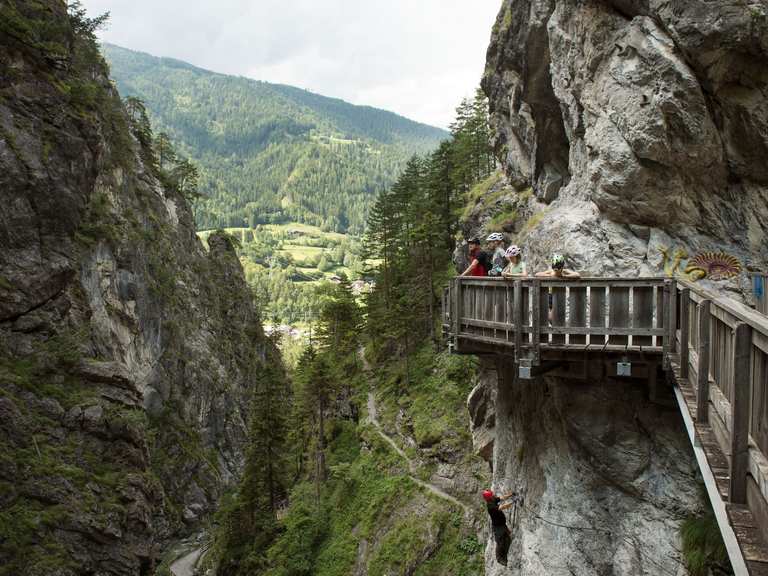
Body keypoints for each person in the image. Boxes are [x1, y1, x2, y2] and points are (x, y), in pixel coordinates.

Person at [536, 254, 580, 323]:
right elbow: (537, 274)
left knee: (557, 315)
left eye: (558, 269)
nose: (557, 271)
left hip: (560, 295)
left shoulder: (564, 271)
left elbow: (577, 275)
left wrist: (565, 276)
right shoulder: (551, 271)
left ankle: (557, 325)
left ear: (561, 267)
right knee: (550, 316)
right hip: (550, 295)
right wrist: (550, 276)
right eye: (555, 269)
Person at [483, 489, 516, 565]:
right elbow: (502, 507)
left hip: (502, 524)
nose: (493, 495)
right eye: (492, 495)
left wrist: (511, 494)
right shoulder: (490, 506)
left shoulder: (492, 499)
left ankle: (505, 555)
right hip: (497, 526)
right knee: (500, 542)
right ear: (489, 497)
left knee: (507, 538)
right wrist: (513, 502)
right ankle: (499, 558)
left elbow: (501, 498)